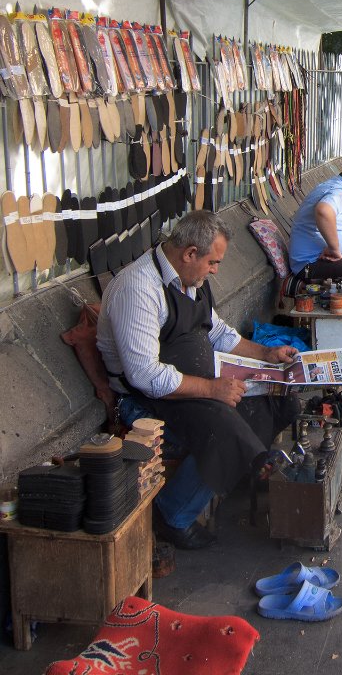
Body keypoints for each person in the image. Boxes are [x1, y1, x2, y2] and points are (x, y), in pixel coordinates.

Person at [97, 211, 301, 549]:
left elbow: (218, 332)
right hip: (144, 399)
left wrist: (265, 355)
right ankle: (172, 513)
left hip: (191, 382)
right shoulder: (139, 289)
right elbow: (144, 375)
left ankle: (239, 471)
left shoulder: (191, 280)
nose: (215, 270)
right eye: (213, 262)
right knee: (224, 426)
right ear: (190, 253)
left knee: (272, 399)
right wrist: (211, 388)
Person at [289, 158, 342, 279]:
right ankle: (296, 285)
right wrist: (334, 249)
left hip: (323, 257)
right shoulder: (339, 191)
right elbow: (323, 211)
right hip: (310, 262)